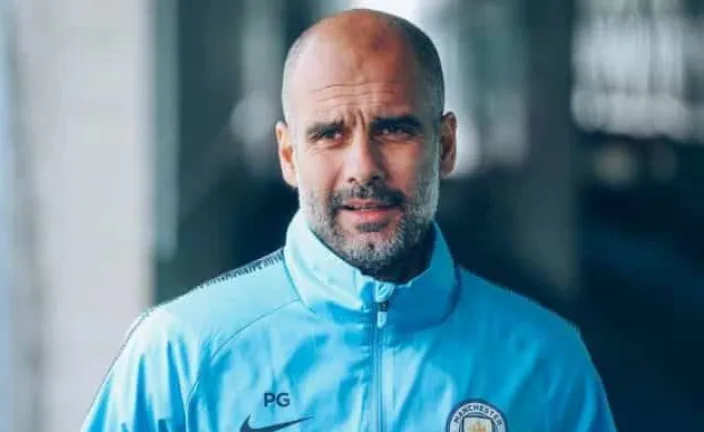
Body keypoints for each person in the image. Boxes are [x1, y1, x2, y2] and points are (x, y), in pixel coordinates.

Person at [82, 9, 617, 432]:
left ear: (446, 145)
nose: (363, 166)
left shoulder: (547, 364)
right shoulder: (180, 356)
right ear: (289, 156)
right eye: (329, 134)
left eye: (393, 130)